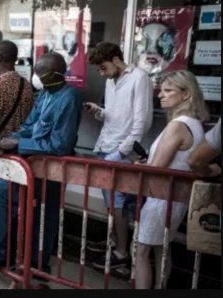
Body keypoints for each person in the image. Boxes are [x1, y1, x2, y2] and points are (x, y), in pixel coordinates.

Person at [0, 52, 83, 271]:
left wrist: (19, 145)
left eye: (40, 73)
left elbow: (60, 144)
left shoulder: (70, 97)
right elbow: (28, 126)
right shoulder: (45, 94)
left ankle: (36, 264)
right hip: (30, 163)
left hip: (51, 167)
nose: (35, 76)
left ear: (56, 74)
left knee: (43, 216)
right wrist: (6, 141)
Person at [135, 70, 210, 289]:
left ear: (186, 95)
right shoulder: (195, 124)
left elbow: (157, 167)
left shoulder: (177, 126)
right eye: (162, 90)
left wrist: (143, 166)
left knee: (140, 252)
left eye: (168, 90)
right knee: (162, 251)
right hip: (175, 198)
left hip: (161, 198)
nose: (161, 95)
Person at [84, 42, 153, 270]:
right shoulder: (110, 82)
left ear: (115, 59)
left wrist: (120, 153)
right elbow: (113, 117)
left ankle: (122, 252)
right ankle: (115, 242)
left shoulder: (139, 77)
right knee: (111, 204)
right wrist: (98, 112)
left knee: (119, 204)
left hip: (122, 150)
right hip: (107, 145)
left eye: (103, 67)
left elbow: (140, 123)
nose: (102, 73)